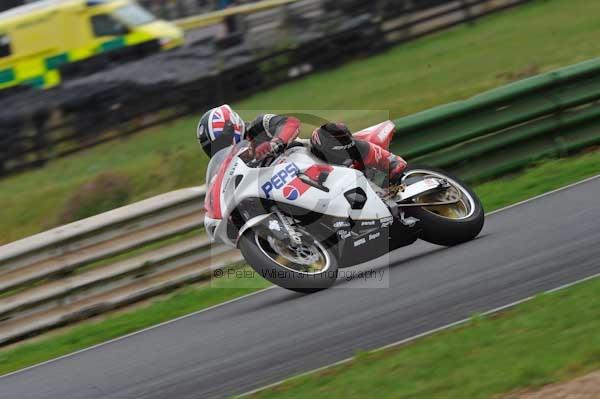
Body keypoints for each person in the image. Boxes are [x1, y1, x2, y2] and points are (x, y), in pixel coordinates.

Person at [196, 104, 407, 184]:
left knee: (325, 134)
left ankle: (389, 162)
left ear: (233, 126)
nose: (221, 149)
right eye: (214, 149)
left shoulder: (259, 125)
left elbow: (290, 122)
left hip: (308, 159)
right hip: (291, 187)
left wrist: (277, 141)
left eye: (221, 142)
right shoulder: (235, 167)